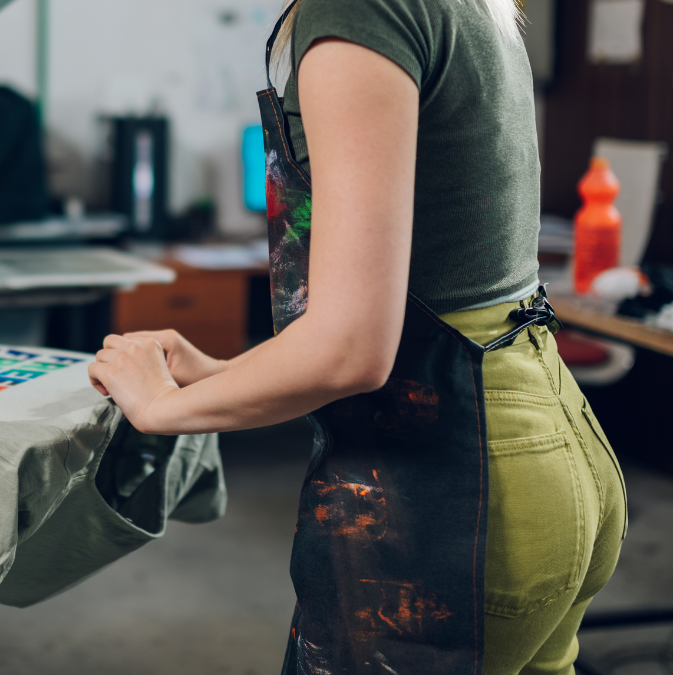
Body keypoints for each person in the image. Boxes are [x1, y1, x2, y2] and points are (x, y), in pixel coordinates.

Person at [88, 0, 628, 671]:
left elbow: (351, 350)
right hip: (539, 442)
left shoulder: (353, 8)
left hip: (458, 482)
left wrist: (160, 407)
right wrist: (220, 371)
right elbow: (419, 300)